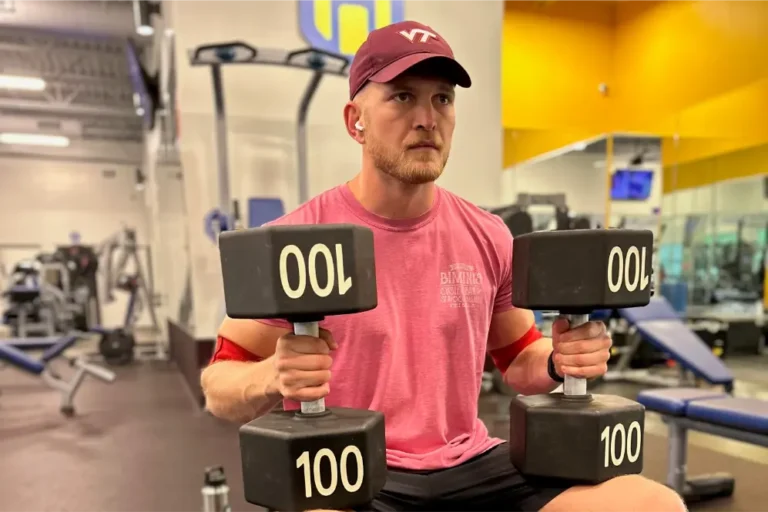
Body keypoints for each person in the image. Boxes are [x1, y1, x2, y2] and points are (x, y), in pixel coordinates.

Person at [201, 20, 687, 512]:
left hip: (469, 462)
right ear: (356, 121)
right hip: (353, 470)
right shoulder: (296, 239)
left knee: (653, 504)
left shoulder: (487, 234)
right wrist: (271, 376)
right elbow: (220, 384)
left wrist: (559, 361)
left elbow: (517, 358)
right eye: (402, 97)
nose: (427, 118)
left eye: (442, 99)